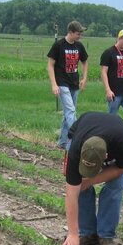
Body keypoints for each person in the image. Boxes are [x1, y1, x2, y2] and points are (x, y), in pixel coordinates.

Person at [61, 112, 123, 245]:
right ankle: (87, 233)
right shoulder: (75, 151)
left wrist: (91, 181)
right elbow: (71, 193)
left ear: (106, 157)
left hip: (116, 136)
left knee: (114, 188)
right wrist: (72, 233)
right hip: (80, 132)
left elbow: (121, 168)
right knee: (80, 187)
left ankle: (106, 235)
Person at [47, 21, 89, 149]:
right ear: (70, 32)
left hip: (74, 83)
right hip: (62, 83)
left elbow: (85, 62)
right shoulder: (59, 45)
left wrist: (84, 78)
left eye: (81, 33)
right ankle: (78, 139)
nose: (80, 36)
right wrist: (54, 84)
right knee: (71, 111)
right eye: (78, 33)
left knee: (68, 113)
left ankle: (63, 142)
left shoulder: (79, 46)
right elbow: (50, 65)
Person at [100, 29, 123, 122]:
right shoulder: (108, 52)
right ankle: (109, 136)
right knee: (111, 119)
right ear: (119, 38)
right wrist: (108, 90)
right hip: (114, 92)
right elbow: (103, 72)